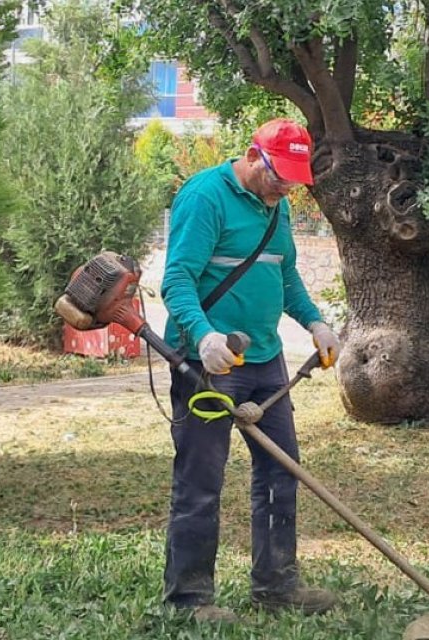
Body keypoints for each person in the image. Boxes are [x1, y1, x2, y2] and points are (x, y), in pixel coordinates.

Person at [159, 118, 341, 623]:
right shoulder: (205, 197)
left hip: (267, 360)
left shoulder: (276, 208)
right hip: (210, 362)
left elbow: (284, 274)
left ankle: (276, 585)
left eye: (292, 177)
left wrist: (316, 322)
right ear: (252, 155)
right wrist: (204, 337)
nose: (285, 185)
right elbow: (176, 281)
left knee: (282, 472)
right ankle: (189, 601)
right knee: (201, 481)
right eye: (278, 173)